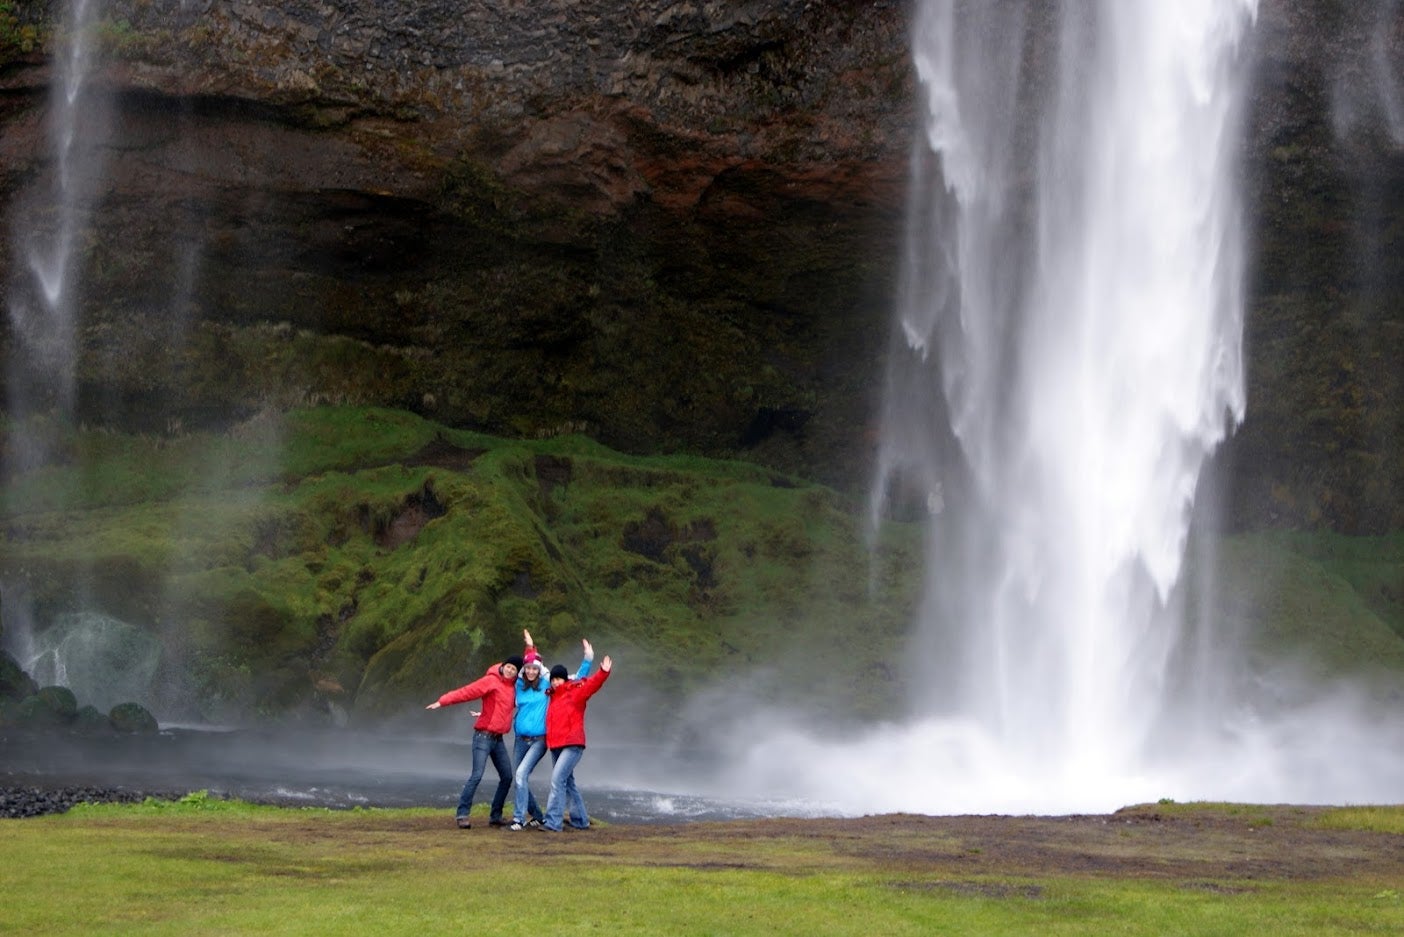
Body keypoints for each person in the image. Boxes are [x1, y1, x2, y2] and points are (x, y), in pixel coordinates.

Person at [425, 654, 522, 829]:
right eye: (508, 667)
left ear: (516, 673)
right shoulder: (490, 681)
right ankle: (462, 814)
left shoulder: (513, 687)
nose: (510, 671)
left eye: (514, 670)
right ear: (503, 665)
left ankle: (495, 816)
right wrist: (442, 701)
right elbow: (467, 692)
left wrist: (530, 647)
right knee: (477, 775)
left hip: (498, 739)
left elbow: (506, 706)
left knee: (507, 777)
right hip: (483, 736)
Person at [509, 630, 592, 831]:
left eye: (534, 669)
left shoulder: (548, 684)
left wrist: (588, 660)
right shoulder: (518, 685)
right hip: (520, 738)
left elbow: (575, 680)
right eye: (527, 668)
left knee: (521, 775)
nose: (530, 671)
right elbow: (503, 692)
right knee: (519, 779)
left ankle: (518, 819)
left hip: (540, 740)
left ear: (539, 670)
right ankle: (540, 816)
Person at [539, 653, 612, 832]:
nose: (556, 682)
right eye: (553, 679)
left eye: (559, 679)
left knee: (557, 780)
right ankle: (580, 820)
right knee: (568, 783)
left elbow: (592, 685)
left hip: (572, 744)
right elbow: (534, 668)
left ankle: (553, 823)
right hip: (556, 745)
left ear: (565, 679)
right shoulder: (552, 697)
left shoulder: (575, 691)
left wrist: (603, 672)